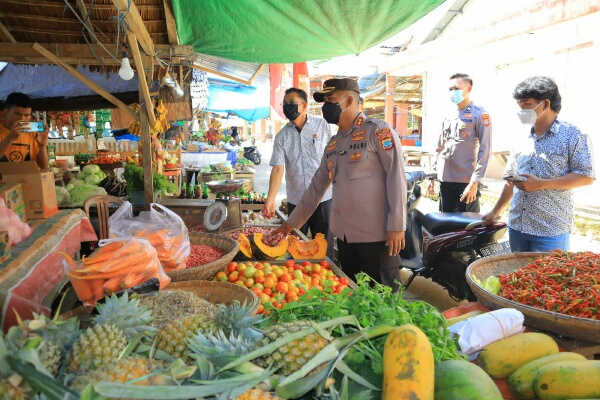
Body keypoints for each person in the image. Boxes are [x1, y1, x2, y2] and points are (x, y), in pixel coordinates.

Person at [275, 79, 407, 291]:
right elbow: (316, 189)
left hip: (377, 236)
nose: (327, 105)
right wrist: (289, 225)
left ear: (350, 100)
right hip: (345, 239)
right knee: (356, 299)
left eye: (331, 100)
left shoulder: (377, 132)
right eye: (325, 101)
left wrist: (397, 225)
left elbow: (396, 178)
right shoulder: (334, 144)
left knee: (386, 299)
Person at [482, 76, 595, 252]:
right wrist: (495, 212)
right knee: (518, 278)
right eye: (519, 105)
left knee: (546, 278)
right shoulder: (521, 136)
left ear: (545, 104)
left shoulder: (574, 135)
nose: (521, 110)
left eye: (526, 104)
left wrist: (542, 184)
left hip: (550, 230)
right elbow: (511, 180)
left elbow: (586, 176)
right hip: (517, 227)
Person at [262, 88, 335, 260]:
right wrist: (270, 199)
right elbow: (278, 169)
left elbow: (331, 156)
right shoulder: (282, 137)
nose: (287, 107)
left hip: (323, 198)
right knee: (295, 246)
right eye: (285, 104)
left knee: (324, 245)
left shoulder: (321, 125)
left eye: (291, 103)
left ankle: (329, 278)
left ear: (304, 106)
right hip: (296, 200)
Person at [428, 73, 492, 212]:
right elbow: (439, 147)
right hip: (446, 180)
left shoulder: (480, 114)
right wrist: (432, 176)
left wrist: (475, 182)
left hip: (466, 181)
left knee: (467, 226)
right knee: (445, 225)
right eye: (450, 89)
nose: (453, 92)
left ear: (468, 89)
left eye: (456, 88)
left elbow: (485, 149)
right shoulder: (449, 115)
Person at [0, 92, 49, 169]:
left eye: (26, 115)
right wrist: (10, 138)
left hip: (27, 180)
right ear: (6, 111)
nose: (22, 119)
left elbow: (43, 166)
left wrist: (42, 146)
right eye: (18, 114)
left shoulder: (33, 134)